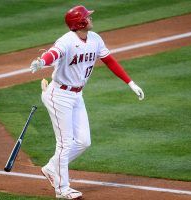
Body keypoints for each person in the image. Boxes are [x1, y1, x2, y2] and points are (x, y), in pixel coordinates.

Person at [30, 5, 144, 200]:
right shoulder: (66, 41)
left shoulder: (95, 39)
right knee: (65, 143)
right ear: (80, 22)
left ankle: (51, 168)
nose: (90, 18)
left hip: (77, 95)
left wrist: (130, 82)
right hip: (59, 96)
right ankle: (62, 189)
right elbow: (54, 53)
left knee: (83, 142)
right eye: (87, 17)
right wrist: (42, 62)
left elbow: (109, 61)